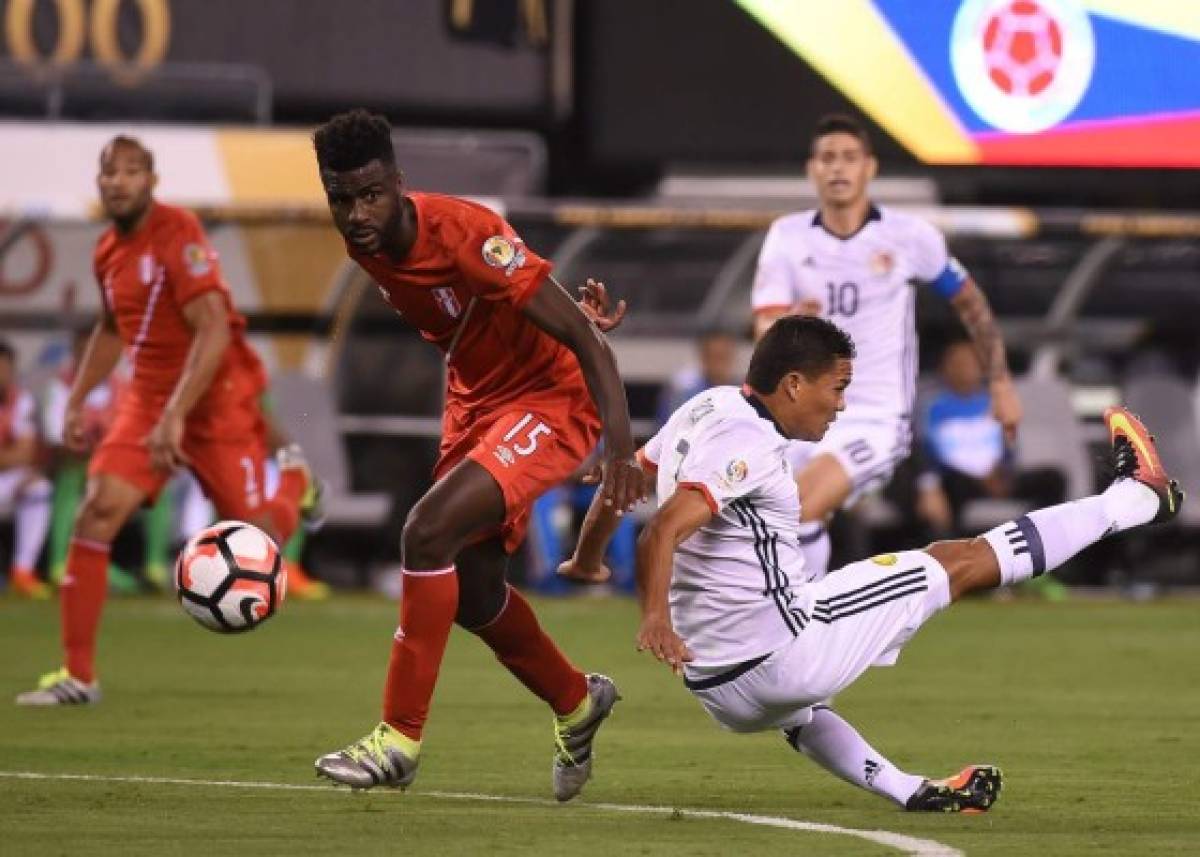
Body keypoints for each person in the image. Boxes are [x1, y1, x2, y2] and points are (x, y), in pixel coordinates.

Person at [569, 315, 1182, 812]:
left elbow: (620, 485)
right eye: (837, 388)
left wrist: (587, 559)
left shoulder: (703, 408)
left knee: (801, 708)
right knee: (959, 561)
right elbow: (661, 532)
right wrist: (654, 618)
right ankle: (1134, 498)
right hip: (781, 654)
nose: (840, 407)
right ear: (793, 386)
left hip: (718, 689)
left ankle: (908, 790)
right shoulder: (748, 442)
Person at [309, 109, 647, 800]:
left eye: (370, 194)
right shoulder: (364, 242)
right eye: (340, 198)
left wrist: (621, 449)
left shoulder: (466, 235)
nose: (355, 212)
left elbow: (589, 344)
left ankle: (397, 740)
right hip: (476, 401)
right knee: (475, 592)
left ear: (399, 183)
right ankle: (577, 701)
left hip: (549, 397)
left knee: (424, 530)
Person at [15, 136, 322, 707]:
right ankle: (78, 675)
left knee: (263, 540)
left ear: (152, 181)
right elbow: (112, 328)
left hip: (214, 398)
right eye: (109, 171)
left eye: (131, 171)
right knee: (98, 510)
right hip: (149, 398)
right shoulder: (108, 250)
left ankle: (297, 485)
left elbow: (213, 327)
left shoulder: (179, 235)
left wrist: (177, 415)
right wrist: (80, 398)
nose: (118, 181)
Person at [751, 114, 1022, 581]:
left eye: (849, 158)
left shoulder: (908, 236)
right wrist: (793, 321)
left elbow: (971, 304)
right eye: (828, 158)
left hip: (873, 418)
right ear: (811, 169)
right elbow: (764, 326)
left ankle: (799, 621)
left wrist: (1000, 383)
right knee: (757, 518)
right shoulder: (787, 237)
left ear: (869, 168)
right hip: (799, 414)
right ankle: (793, 620)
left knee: (799, 507)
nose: (838, 168)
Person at [915, 338, 1064, 538]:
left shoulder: (995, 403)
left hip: (997, 477)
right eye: (957, 364)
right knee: (950, 487)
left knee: (1053, 479)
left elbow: (1008, 447)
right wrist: (978, 476)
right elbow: (928, 452)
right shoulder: (933, 407)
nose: (964, 369)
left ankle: (1048, 545)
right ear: (944, 369)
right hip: (959, 480)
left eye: (970, 363)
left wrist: (1001, 472)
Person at [0, 340, 52, 599]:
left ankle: (22, 571)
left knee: (38, 489)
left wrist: (14, 459)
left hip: (8, 478)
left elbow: (25, 452)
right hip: (7, 469)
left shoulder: (21, 400)